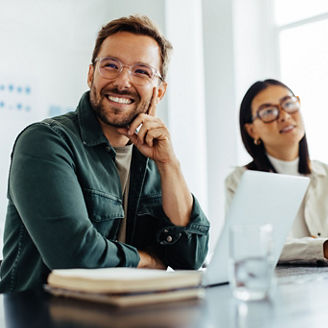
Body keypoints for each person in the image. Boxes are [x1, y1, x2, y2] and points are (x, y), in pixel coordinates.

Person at [0, 15, 210, 293]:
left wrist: (168, 163)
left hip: (124, 313)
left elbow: (191, 257)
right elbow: (74, 255)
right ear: (91, 75)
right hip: (42, 315)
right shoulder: (45, 142)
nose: (123, 82)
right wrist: (146, 261)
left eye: (141, 72)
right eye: (111, 66)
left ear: (159, 91)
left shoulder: (153, 157)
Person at [225, 79, 328, 264]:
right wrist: (322, 248)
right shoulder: (241, 181)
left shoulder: (325, 174)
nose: (284, 115)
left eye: (288, 104)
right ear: (251, 130)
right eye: (268, 111)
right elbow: (251, 246)